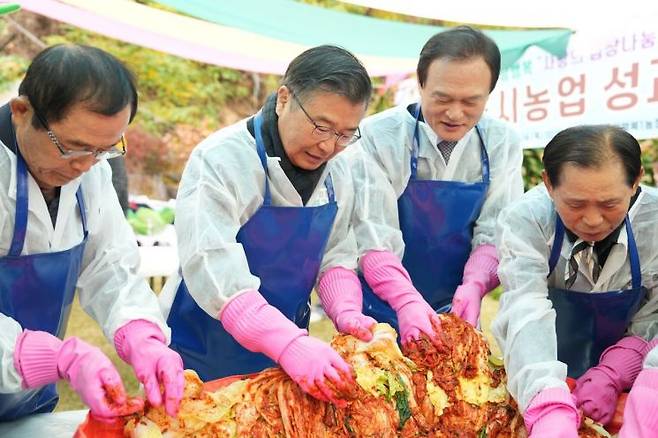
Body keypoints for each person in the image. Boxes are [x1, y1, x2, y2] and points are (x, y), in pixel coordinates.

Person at [160, 45, 373, 405]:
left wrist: (347, 310)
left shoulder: (341, 171)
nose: (328, 145)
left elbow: (336, 254)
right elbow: (212, 268)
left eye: (345, 134)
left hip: (287, 359)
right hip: (200, 353)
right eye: (321, 126)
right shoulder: (222, 160)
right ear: (284, 98)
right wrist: (286, 341)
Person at [0, 44, 184, 422]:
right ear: (22, 112)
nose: (85, 166)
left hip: (26, 402)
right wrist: (47, 355)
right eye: (72, 148)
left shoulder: (89, 170)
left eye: (104, 150)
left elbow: (110, 265)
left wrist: (141, 334)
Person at [349, 25, 523, 338]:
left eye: (471, 101)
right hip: (379, 306)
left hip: (456, 310)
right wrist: (405, 300)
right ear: (421, 84)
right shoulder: (380, 137)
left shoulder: (501, 142)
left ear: (490, 93)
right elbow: (371, 232)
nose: (455, 113)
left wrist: (475, 285)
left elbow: (498, 229)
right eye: (442, 98)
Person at [492, 125, 658, 437]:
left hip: (631, 386)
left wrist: (618, 369)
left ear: (635, 181)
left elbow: (656, 312)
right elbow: (524, 308)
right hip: (542, 367)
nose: (593, 220)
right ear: (548, 184)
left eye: (609, 204)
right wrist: (547, 401)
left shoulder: (655, 222)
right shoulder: (528, 219)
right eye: (575, 204)